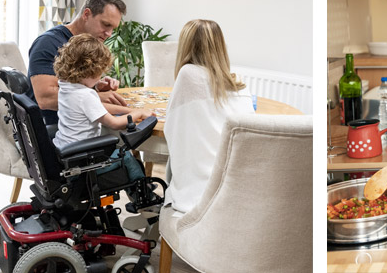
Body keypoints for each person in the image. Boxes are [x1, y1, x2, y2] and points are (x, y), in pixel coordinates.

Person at [163, 19, 255, 214]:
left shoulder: (188, 74)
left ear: (185, 47)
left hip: (199, 192)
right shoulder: (238, 85)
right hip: (236, 187)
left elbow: (172, 127)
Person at [50, 33, 152, 179]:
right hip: (83, 163)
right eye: (99, 73)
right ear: (90, 70)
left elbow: (98, 108)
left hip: (66, 155)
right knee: (125, 157)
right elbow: (115, 124)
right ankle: (144, 195)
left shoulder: (66, 87)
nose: (100, 78)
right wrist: (139, 114)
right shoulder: (86, 95)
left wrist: (131, 110)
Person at [28, 0, 132, 125]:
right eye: (106, 25)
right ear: (86, 14)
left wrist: (96, 86)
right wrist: (95, 97)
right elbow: (45, 99)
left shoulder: (88, 45)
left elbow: (69, 87)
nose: (109, 34)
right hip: (56, 133)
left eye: (113, 28)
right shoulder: (47, 43)